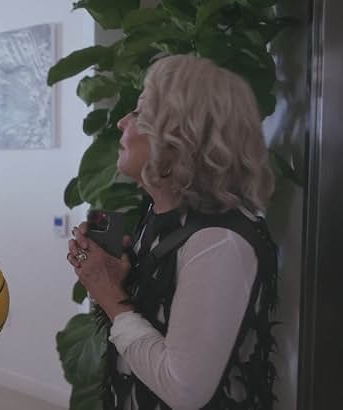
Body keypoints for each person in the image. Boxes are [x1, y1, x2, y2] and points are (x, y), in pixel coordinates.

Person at [67, 55, 278, 409]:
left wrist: (110, 297)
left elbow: (183, 389)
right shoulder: (162, 217)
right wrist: (115, 281)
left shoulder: (219, 242)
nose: (122, 123)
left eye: (139, 113)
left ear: (180, 139)